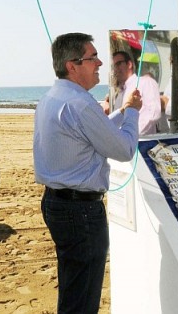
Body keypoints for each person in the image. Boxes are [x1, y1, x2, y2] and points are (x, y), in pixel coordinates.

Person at [33, 33, 142, 314]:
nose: (100, 63)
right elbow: (124, 149)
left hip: (57, 203)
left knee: (74, 288)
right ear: (72, 65)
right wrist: (133, 112)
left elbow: (94, 132)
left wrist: (122, 111)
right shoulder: (80, 104)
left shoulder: (52, 97)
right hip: (79, 211)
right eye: (92, 58)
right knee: (82, 298)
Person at [110, 51, 161, 135]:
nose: (116, 69)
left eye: (119, 64)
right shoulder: (120, 93)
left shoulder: (146, 82)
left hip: (141, 140)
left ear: (129, 64)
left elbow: (154, 112)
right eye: (114, 66)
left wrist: (133, 134)